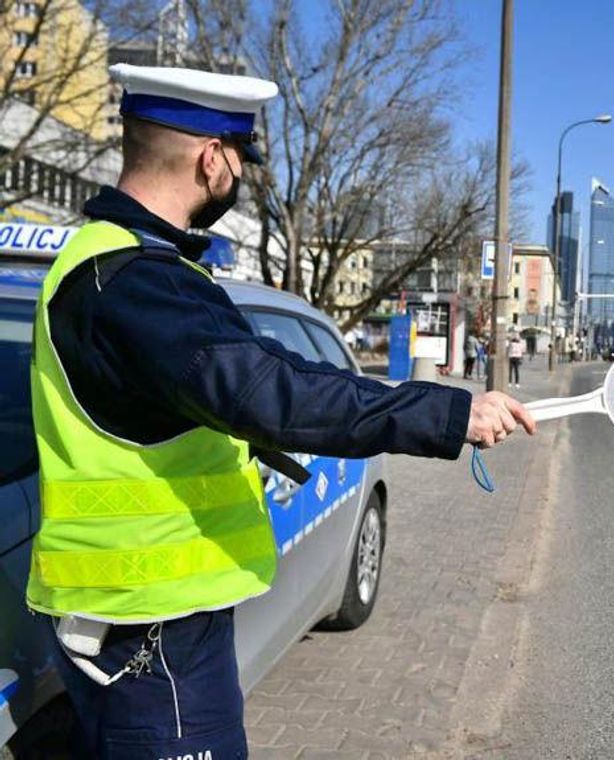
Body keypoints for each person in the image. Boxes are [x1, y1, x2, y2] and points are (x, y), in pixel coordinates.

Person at [27, 64, 535, 759]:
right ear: (212, 158)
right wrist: (451, 416)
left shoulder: (116, 264)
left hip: (136, 625)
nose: (239, 174)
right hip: (150, 635)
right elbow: (272, 391)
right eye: (240, 159)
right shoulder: (135, 283)